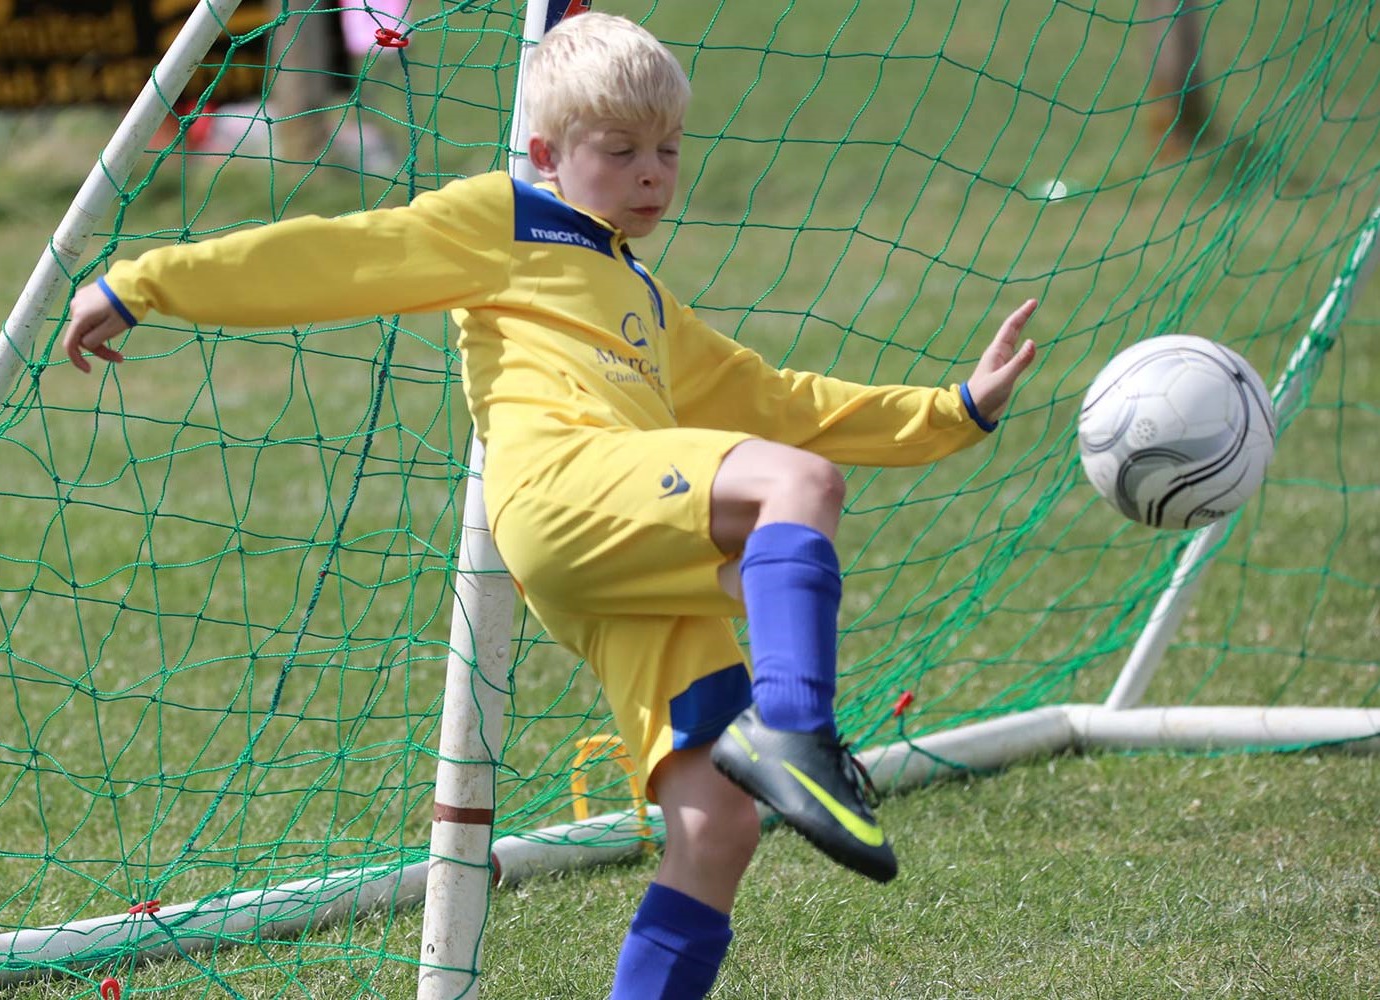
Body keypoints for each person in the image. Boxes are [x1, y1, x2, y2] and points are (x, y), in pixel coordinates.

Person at [61, 12, 1038, 998]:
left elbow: (772, 399)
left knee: (716, 827)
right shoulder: (505, 220)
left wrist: (948, 411)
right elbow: (335, 254)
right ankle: (794, 728)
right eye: (618, 152)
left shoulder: (644, 300)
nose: (650, 174)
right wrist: (146, 282)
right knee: (796, 483)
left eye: (665, 150)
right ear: (545, 153)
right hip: (563, 490)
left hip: (613, 558)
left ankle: (772, 752)